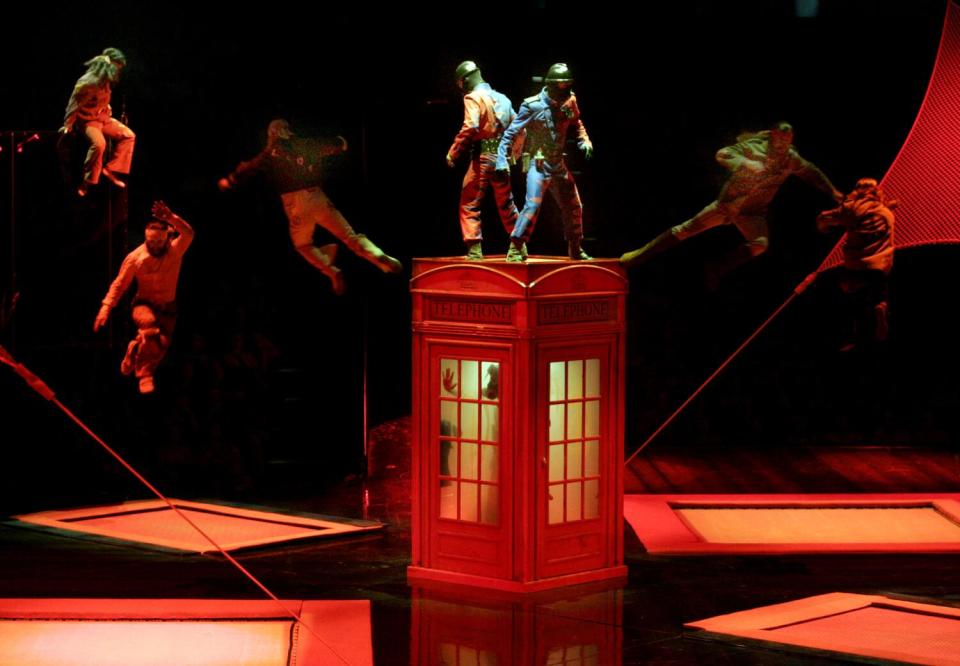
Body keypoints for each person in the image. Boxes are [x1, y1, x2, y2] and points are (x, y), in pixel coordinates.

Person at [621, 122, 842, 287]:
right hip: (727, 206)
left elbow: (811, 172)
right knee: (685, 230)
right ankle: (637, 257)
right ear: (773, 136)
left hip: (753, 213)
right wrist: (745, 163)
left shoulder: (791, 159)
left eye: (788, 141)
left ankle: (716, 269)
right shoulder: (753, 148)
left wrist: (832, 191)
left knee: (760, 244)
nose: (784, 145)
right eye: (781, 140)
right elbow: (723, 154)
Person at [219, 119, 402, 294]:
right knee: (350, 236)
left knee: (303, 245)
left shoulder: (270, 152)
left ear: (272, 134)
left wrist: (230, 180)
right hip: (317, 197)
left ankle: (331, 271)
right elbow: (337, 145)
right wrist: (341, 141)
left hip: (295, 205)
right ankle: (380, 257)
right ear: (288, 130)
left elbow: (248, 167)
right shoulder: (305, 144)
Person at [496, 63, 594, 262]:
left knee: (574, 205)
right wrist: (501, 159)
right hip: (539, 163)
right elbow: (510, 133)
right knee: (532, 204)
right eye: (561, 85)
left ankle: (575, 247)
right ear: (551, 85)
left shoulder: (569, 101)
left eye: (567, 84)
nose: (564, 89)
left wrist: (585, 141)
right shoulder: (532, 105)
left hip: (558, 163)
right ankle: (515, 246)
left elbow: (577, 123)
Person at [93, 201, 194, 394]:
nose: (155, 246)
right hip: (143, 304)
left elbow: (189, 233)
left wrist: (171, 218)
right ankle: (145, 373)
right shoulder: (135, 258)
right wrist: (105, 307)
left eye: (159, 242)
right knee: (150, 327)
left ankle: (134, 348)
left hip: (168, 307)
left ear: (166, 240)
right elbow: (119, 284)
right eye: (151, 242)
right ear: (146, 239)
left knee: (161, 344)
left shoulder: (175, 251)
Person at [446, 61, 521, 260]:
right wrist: (514, 154)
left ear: (465, 80)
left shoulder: (473, 97)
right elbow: (520, 128)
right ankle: (518, 246)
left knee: (470, 202)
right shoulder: (503, 98)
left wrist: (454, 152)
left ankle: (474, 250)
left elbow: (470, 126)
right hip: (502, 159)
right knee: (507, 204)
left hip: (483, 159)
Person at [816, 177, 895, 350]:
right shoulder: (885, 211)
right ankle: (880, 305)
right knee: (876, 295)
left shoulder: (852, 207)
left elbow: (825, 217)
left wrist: (823, 227)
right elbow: (873, 214)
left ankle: (848, 338)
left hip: (856, 264)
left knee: (849, 298)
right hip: (880, 265)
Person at [62, 47, 135, 197]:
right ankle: (87, 182)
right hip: (88, 120)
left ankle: (111, 169)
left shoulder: (105, 81)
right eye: (117, 68)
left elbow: (100, 99)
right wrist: (68, 124)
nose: (118, 72)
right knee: (99, 144)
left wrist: (106, 106)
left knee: (129, 135)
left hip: (102, 118)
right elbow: (74, 103)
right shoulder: (88, 82)